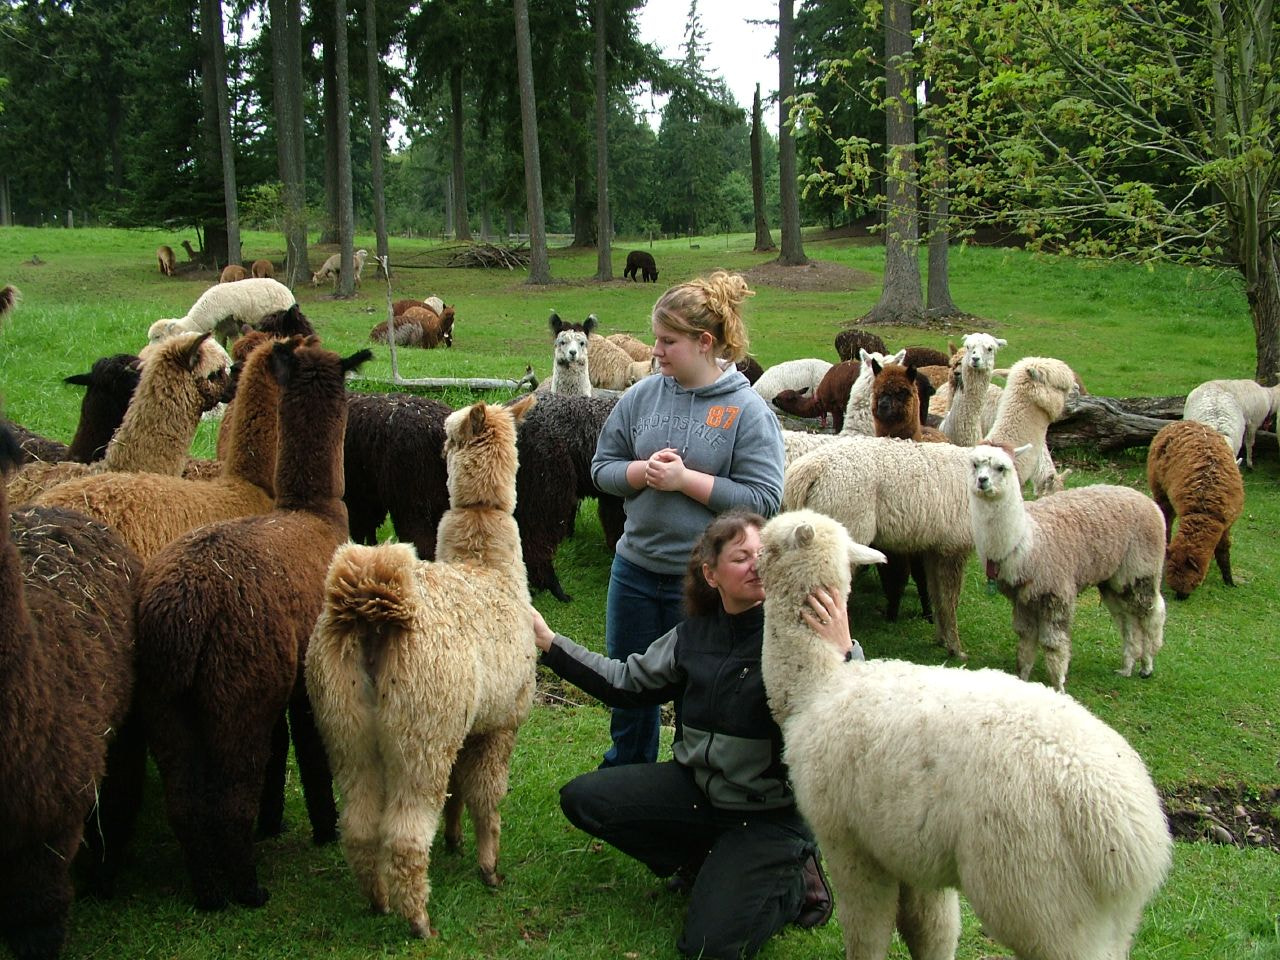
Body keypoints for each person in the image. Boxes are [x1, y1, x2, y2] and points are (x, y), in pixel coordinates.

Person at [531, 510, 862, 960]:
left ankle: (791, 884)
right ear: (711, 574)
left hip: (768, 817)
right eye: (742, 557)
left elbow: (849, 721)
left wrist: (843, 651)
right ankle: (706, 860)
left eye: (764, 555)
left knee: (707, 948)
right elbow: (625, 684)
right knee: (585, 799)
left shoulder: (799, 632)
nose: (757, 566)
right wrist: (550, 643)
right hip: (698, 794)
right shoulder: (690, 636)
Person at [590, 271, 784, 768]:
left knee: (699, 697)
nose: (656, 351)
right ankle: (626, 782)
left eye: (667, 341)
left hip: (704, 586)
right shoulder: (641, 397)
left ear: (703, 342)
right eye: (655, 339)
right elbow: (601, 469)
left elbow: (764, 502)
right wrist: (638, 472)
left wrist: (686, 481)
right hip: (633, 572)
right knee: (629, 689)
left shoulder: (747, 411)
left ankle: (691, 788)